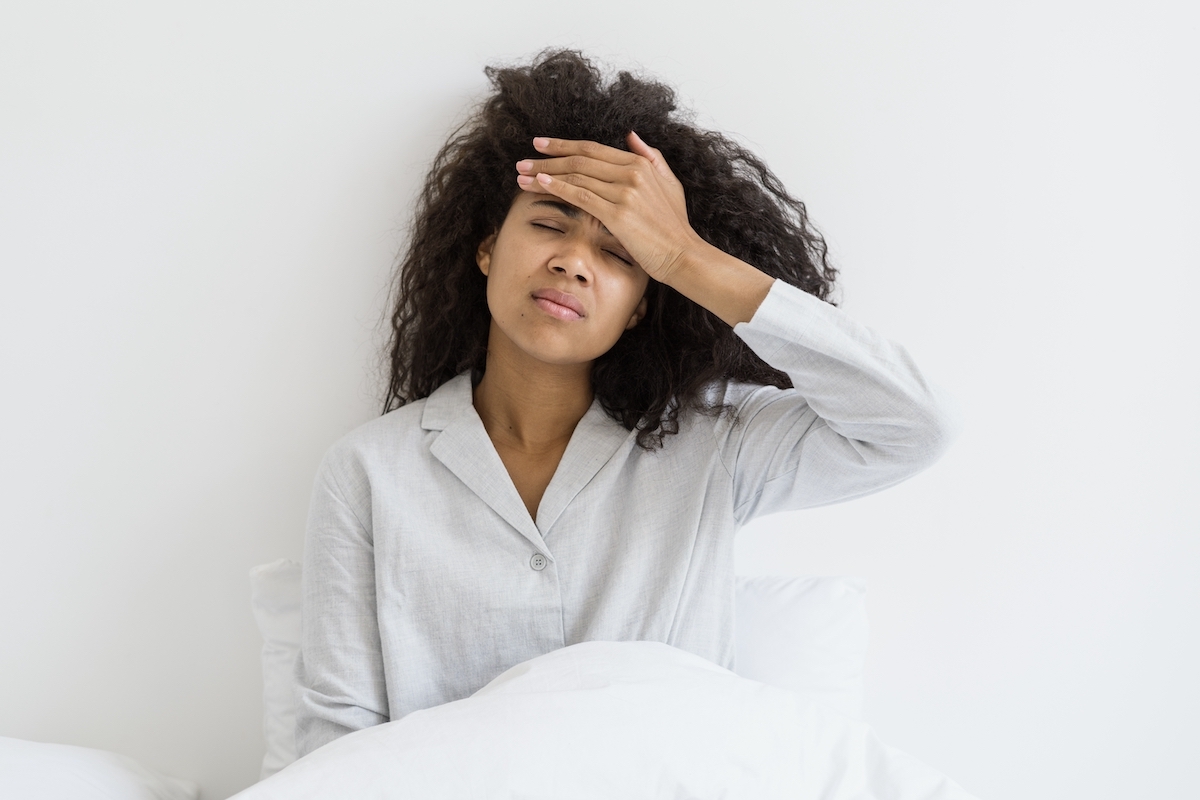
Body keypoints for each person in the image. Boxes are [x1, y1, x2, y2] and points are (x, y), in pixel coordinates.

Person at [293, 49, 960, 758]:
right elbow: (335, 748)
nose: (572, 261)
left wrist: (682, 255)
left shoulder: (712, 446)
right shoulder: (370, 472)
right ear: (486, 249)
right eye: (549, 223)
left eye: (620, 255)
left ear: (643, 307)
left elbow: (913, 428)